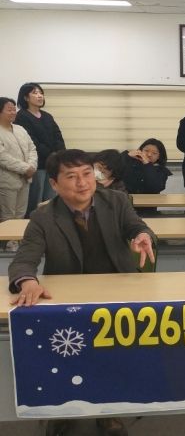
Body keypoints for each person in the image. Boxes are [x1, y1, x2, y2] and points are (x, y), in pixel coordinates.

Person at [8, 149, 156, 436]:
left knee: (113, 355)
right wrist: (28, 282)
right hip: (69, 297)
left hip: (115, 289)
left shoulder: (116, 201)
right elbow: (24, 260)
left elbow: (136, 226)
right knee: (65, 356)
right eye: (72, 176)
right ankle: (61, 410)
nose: (83, 182)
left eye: (88, 174)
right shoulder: (43, 217)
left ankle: (109, 412)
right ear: (54, 184)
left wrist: (142, 235)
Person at [14, 82, 65, 216]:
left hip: (53, 164)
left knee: (51, 198)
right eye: (35, 93)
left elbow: (58, 136)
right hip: (37, 165)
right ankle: (33, 224)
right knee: (35, 198)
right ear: (26, 97)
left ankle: (49, 224)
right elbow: (31, 141)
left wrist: (59, 155)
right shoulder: (21, 116)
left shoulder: (47, 116)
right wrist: (51, 155)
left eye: (41, 93)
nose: (40, 96)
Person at [0, 97, 37, 252]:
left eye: (14, 109)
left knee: (21, 213)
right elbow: (2, 157)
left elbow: (32, 149)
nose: (14, 112)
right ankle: (9, 244)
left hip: (25, 179)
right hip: (7, 180)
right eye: (9, 109)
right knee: (8, 213)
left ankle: (19, 239)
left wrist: (31, 166)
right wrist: (25, 168)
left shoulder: (20, 129)